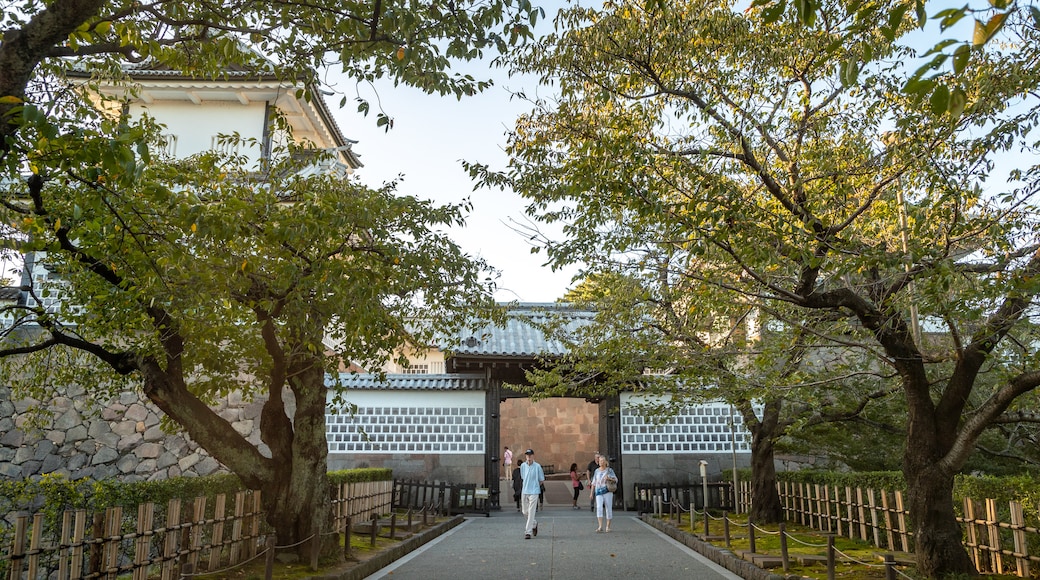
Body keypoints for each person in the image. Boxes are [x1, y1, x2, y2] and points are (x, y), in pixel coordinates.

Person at [519, 448, 545, 539]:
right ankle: (534, 523)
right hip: (525, 490)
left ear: (533, 456)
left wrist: (535, 485)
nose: (528, 457)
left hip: (534, 491)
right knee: (524, 511)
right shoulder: (523, 466)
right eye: (527, 455)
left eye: (530, 455)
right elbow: (523, 477)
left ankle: (528, 532)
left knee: (531, 512)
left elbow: (541, 479)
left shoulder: (537, 466)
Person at [589, 455, 617, 533]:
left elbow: (615, 480)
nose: (601, 462)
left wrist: (609, 478)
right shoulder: (596, 471)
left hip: (607, 491)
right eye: (600, 461)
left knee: (608, 508)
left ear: (605, 462)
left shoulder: (609, 470)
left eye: (602, 461)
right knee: (599, 507)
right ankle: (600, 526)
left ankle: (608, 526)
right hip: (598, 492)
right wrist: (591, 493)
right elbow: (593, 483)